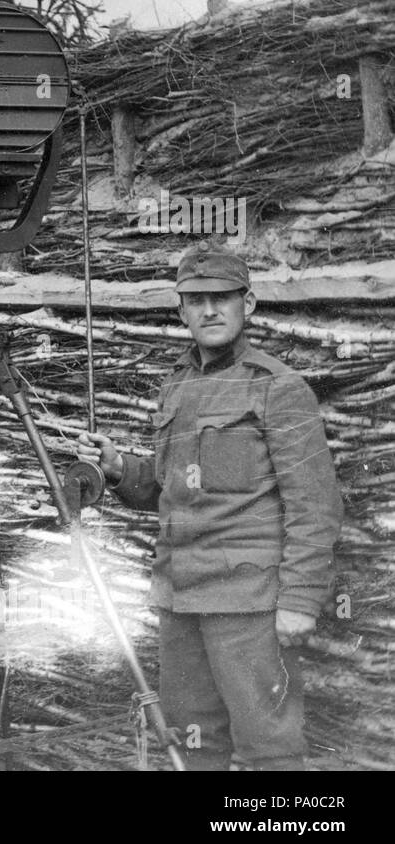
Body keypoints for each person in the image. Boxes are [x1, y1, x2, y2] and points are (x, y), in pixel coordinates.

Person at [75, 242, 342, 771]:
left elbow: (316, 505)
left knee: (270, 749)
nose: (210, 310)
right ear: (181, 311)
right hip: (181, 603)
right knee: (193, 746)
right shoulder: (178, 386)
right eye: (195, 300)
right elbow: (177, 489)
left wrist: (301, 600)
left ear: (249, 305)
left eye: (223, 297)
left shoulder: (278, 388)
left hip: (249, 605)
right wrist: (120, 469)